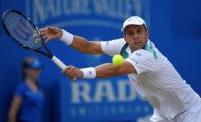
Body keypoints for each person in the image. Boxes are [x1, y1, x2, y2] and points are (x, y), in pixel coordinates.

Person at [40, 16, 201, 122]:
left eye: (139, 31)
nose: (136, 36)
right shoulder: (123, 45)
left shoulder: (150, 56)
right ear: (125, 37)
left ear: (147, 33)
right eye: (130, 33)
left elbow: (116, 69)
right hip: (163, 113)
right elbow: (89, 46)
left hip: (189, 112)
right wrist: (62, 34)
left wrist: (82, 73)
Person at [8, 57, 44, 122]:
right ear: (26, 70)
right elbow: (12, 114)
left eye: (38, 68)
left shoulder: (39, 88)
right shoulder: (21, 87)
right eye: (34, 68)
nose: (38, 71)